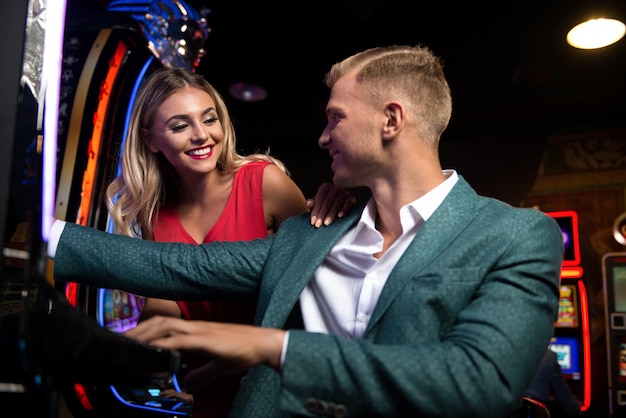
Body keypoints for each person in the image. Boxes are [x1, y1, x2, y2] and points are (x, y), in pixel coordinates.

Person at [47, 44, 564, 417]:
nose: (320, 138)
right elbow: (175, 264)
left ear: (391, 120)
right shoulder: (310, 234)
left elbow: (479, 383)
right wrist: (40, 236)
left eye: (334, 118)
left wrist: (271, 347)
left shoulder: (516, 235)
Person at [104, 67, 355, 418]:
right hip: (208, 392)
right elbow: (166, 304)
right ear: (150, 140)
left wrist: (335, 214)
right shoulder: (154, 214)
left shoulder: (265, 182)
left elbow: (312, 286)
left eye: (209, 120)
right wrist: (116, 346)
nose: (201, 135)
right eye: (180, 126)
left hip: (280, 389)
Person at [524, 348, 582, 417]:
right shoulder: (548, 356)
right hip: (537, 412)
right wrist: (577, 409)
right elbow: (564, 397)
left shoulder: (510, 352)